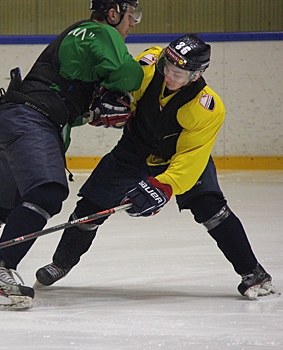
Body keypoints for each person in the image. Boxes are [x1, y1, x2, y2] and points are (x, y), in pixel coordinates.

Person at [0, 0, 144, 310]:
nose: (133, 24)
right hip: (30, 120)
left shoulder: (84, 43)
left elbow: (66, 100)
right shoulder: (97, 31)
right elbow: (128, 74)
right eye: (133, 16)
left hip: (12, 118)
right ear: (114, 13)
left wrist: (92, 109)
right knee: (48, 191)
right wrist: (133, 81)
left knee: (0, 205)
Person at [35, 34, 280, 300]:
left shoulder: (207, 108)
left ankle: (253, 273)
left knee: (212, 210)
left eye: (178, 73)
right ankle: (61, 263)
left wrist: (165, 185)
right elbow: (125, 91)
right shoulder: (150, 66)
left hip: (177, 160)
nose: (169, 76)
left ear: (196, 75)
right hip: (133, 151)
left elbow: (191, 157)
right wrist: (110, 104)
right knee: (90, 206)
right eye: (167, 67)